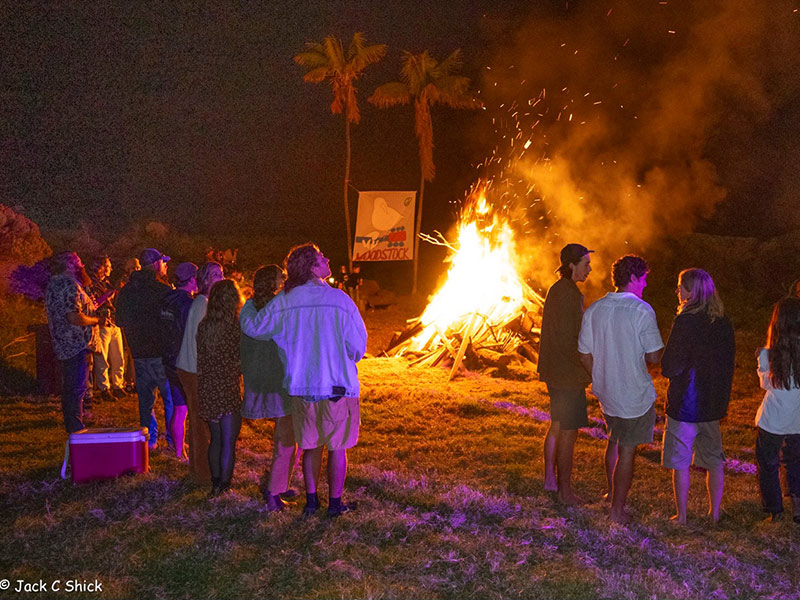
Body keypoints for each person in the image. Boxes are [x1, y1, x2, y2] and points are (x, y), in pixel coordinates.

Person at [241, 243, 367, 517]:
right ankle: (335, 503)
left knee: (310, 444)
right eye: (322, 257)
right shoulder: (340, 300)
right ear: (312, 266)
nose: (328, 258)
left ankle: (312, 501)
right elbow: (358, 347)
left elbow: (254, 327)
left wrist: (249, 304)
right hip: (337, 384)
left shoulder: (284, 300)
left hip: (301, 387)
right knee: (337, 447)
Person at [578, 255, 664, 523]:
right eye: (645, 278)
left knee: (613, 439)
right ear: (635, 278)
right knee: (627, 447)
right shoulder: (641, 310)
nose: (646, 284)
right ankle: (617, 510)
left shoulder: (595, 309)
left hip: (606, 391)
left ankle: (610, 493)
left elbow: (583, 353)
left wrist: (601, 375)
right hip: (633, 394)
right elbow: (653, 357)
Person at [660, 269, 735, 525]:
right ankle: (714, 513)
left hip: (685, 404)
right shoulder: (723, 322)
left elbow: (670, 366)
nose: (677, 291)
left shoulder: (686, 322)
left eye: (681, 286)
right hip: (712, 406)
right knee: (714, 460)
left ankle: (681, 516)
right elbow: (728, 365)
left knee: (681, 461)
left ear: (692, 292)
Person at [537, 243, 593, 504]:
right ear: (571, 266)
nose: (589, 270)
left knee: (558, 424)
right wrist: (586, 365)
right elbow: (571, 338)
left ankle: (551, 480)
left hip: (555, 371)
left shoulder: (557, 289)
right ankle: (564, 491)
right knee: (569, 432)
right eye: (585, 265)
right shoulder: (569, 294)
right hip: (567, 375)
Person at [240, 265, 297, 512]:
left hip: (271, 376)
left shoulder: (251, 307)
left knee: (290, 437)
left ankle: (280, 484)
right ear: (272, 283)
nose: (285, 281)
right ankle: (274, 493)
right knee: (286, 438)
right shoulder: (274, 307)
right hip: (280, 378)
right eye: (281, 278)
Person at [116, 248, 174, 450]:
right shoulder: (163, 291)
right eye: (164, 262)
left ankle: (149, 441)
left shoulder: (126, 291)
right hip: (162, 354)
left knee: (145, 401)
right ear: (157, 265)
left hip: (139, 354)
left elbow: (119, 320)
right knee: (170, 399)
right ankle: (173, 440)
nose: (166, 266)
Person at [177, 262, 225, 484]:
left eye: (221, 273)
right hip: (195, 370)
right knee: (201, 424)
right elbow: (200, 342)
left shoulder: (206, 303)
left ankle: (198, 471)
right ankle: (204, 475)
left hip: (193, 368)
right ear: (204, 280)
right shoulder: (202, 304)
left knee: (199, 421)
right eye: (214, 274)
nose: (220, 277)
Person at [755, 297, 800, 523]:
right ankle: (798, 508)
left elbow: (766, 383)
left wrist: (760, 363)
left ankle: (775, 510)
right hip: (798, 420)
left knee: (768, 463)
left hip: (773, 419)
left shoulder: (769, 353)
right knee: (796, 462)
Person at [197, 279, 244, 496]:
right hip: (227, 387)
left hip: (208, 386)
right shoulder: (236, 326)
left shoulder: (204, 326)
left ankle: (215, 481)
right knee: (228, 442)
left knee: (215, 439)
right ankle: (224, 485)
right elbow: (240, 359)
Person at [45, 252, 100, 433]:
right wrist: (95, 320)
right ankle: (76, 427)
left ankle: (74, 423)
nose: (82, 265)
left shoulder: (53, 283)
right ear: (70, 264)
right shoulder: (69, 284)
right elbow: (74, 316)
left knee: (70, 387)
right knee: (76, 387)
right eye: (79, 261)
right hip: (76, 343)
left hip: (63, 342)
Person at [160, 262, 199, 461]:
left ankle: (178, 452)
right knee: (192, 409)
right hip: (185, 362)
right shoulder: (188, 304)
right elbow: (189, 334)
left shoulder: (166, 299)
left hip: (168, 359)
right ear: (192, 279)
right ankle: (193, 451)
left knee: (178, 408)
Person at [88, 255, 126, 402]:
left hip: (113, 322)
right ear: (101, 267)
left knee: (118, 356)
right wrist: (108, 295)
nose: (111, 269)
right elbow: (93, 304)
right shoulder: (92, 284)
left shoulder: (107, 283)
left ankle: (118, 385)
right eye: (108, 266)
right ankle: (104, 388)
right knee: (102, 358)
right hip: (102, 323)